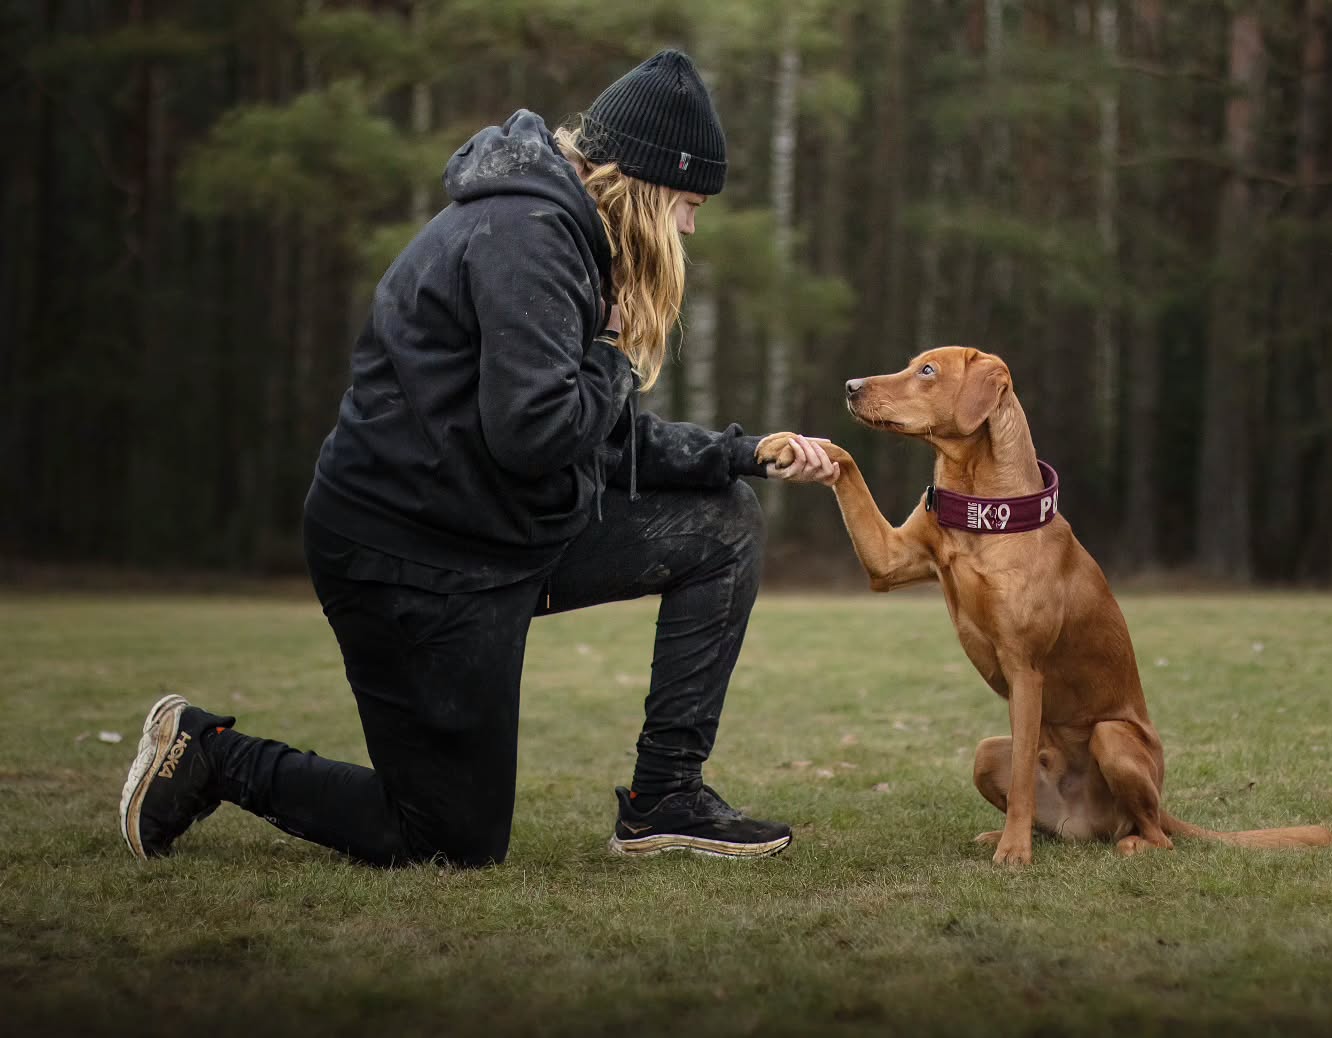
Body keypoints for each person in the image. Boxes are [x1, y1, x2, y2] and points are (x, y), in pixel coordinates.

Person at [119, 50, 839, 867]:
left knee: (722, 524)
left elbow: (591, 437)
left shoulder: (566, 238)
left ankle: (665, 797)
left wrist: (741, 452)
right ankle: (211, 754)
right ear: (639, 184)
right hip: (408, 560)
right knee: (448, 840)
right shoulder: (526, 238)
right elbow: (534, 436)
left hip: (500, 536)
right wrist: (608, 345)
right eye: (686, 203)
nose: (689, 228)